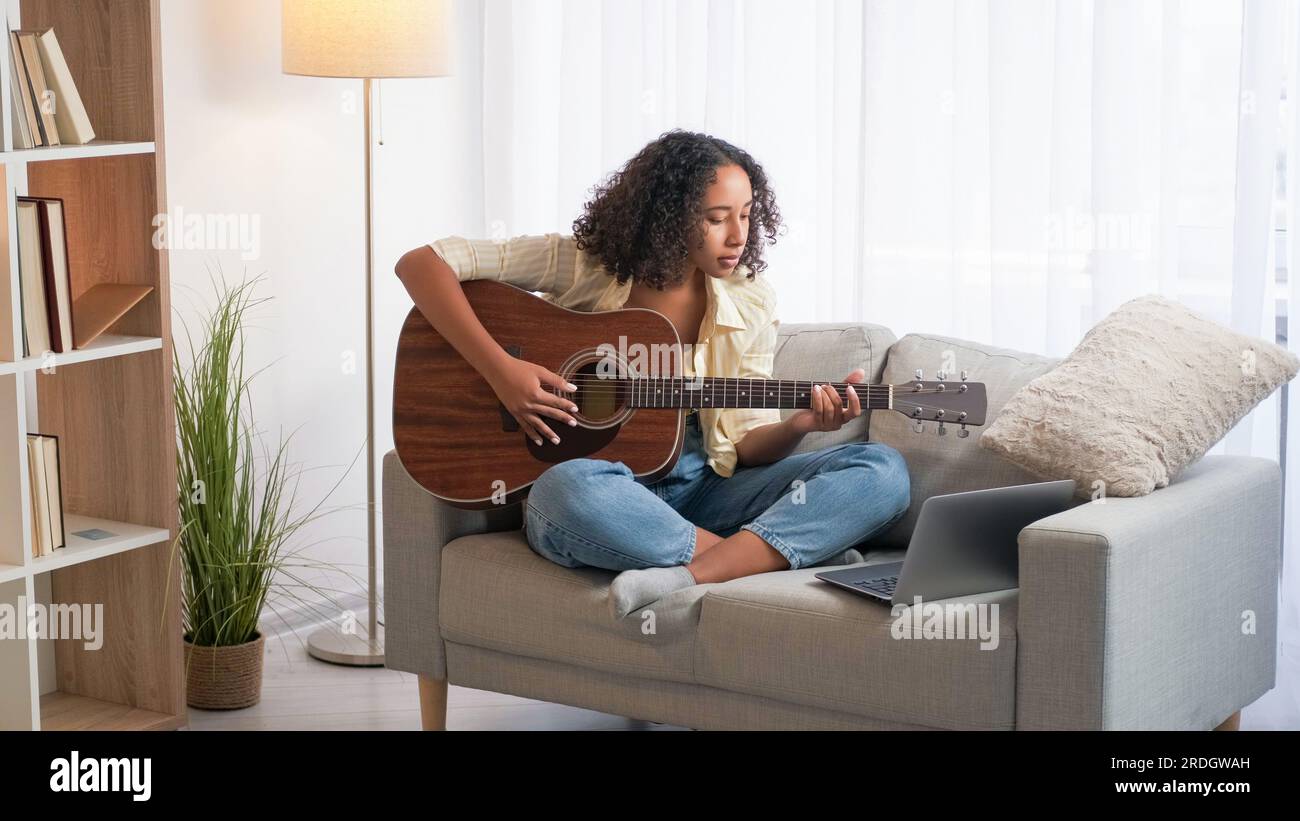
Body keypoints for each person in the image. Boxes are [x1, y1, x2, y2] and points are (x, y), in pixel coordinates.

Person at [395, 129, 910, 619]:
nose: (737, 236)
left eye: (747, 216)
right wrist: (502, 372)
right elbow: (422, 263)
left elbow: (748, 443)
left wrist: (801, 424)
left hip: (706, 491)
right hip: (609, 494)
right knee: (564, 489)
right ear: (668, 217)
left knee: (882, 469)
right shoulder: (582, 265)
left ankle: (694, 571)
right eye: (716, 218)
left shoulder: (750, 299)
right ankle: (762, 560)